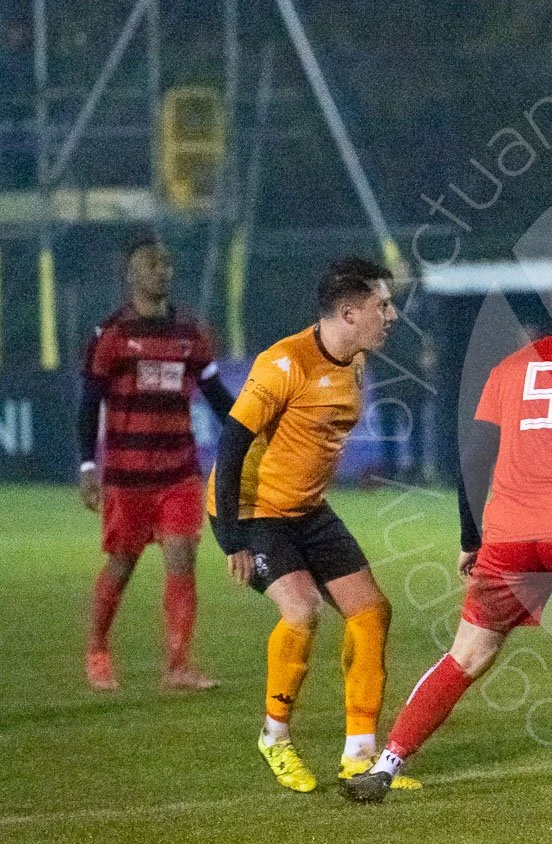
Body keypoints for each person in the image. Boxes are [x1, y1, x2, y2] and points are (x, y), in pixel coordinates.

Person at [341, 263, 552, 803]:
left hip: (510, 537)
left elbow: (472, 458)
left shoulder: (510, 367)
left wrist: (470, 539)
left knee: (466, 656)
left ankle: (385, 767)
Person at [208, 257, 419, 792]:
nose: (392, 314)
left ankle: (359, 756)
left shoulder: (355, 361)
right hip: (253, 513)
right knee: (301, 613)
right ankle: (274, 739)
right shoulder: (285, 363)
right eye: (383, 304)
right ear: (349, 312)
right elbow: (232, 444)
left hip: (307, 510)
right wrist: (232, 537)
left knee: (371, 613)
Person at [78, 237, 234, 692]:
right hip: (127, 476)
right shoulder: (111, 335)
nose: (161, 270)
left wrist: (252, 427)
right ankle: (97, 648)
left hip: (178, 470)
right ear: (130, 274)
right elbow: (90, 404)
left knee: (182, 557)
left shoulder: (190, 334)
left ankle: (178, 666)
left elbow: (216, 395)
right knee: (122, 564)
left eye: (165, 263)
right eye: (150, 263)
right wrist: (88, 466)